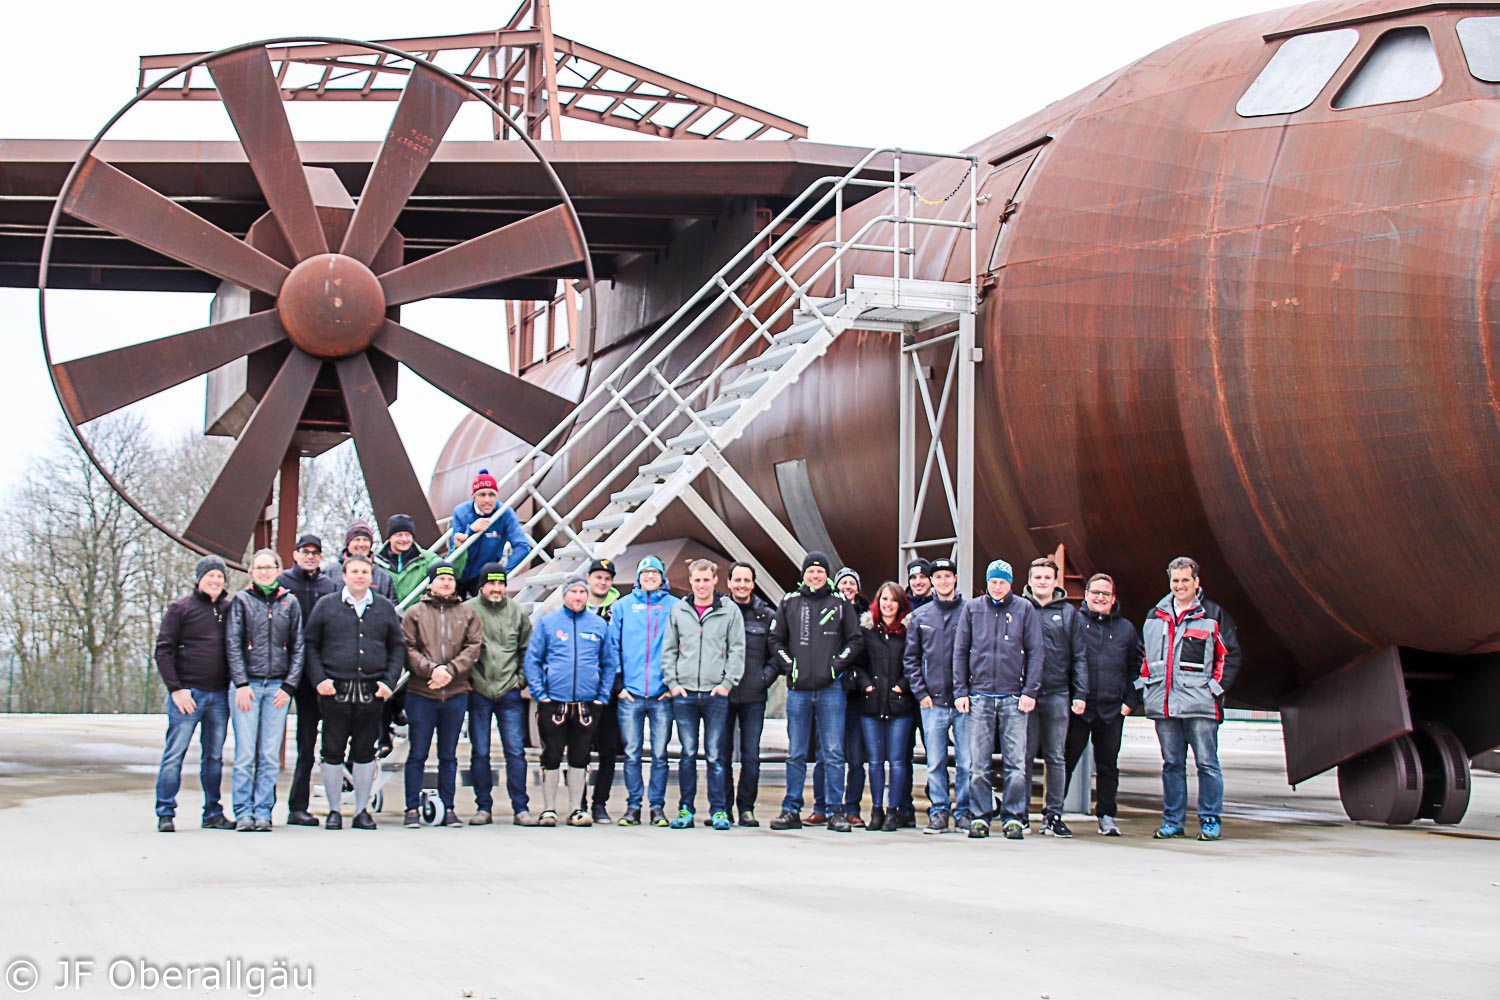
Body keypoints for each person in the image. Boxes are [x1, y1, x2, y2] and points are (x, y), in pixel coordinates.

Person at [1137, 556, 1241, 842]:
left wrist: (1215, 689)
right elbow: (1144, 655)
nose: (1180, 586)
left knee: (1207, 763)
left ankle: (1210, 820)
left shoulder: (1213, 615)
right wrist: (1147, 688)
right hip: (1165, 704)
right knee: (1172, 764)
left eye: (1185, 580)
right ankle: (1172, 820)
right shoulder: (1154, 616)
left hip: (1200, 705)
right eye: (1175, 581)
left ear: (1197, 582)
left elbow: (1228, 656)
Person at [304, 554, 404, 830]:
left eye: (364, 572)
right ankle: (335, 811)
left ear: (371, 577)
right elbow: (310, 644)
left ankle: (362, 810)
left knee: (365, 752)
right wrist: (319, 679)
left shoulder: (384, 608)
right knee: (332, 751)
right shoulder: (326, 606)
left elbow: (397, 647)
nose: (360, 576)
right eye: (354, 571)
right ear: (344, 576)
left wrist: (389, 682)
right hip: (334, 691)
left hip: (371, 693)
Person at [768, 551, 863, 833]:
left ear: (827, 575)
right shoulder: (790, 602)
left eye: (820, 571)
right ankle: (791, 809)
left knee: (833, 751)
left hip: (831, 689)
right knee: (796, 752)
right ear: (804, 574)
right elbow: (775, 639)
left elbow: (855, 640)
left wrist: (835, 667)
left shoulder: (840, 603)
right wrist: (790, 666)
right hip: (798, 690)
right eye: (811, 571)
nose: (815, 575)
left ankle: (836, 811)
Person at [954, 559, 1043, 840]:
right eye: (993, 582)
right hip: (979, 696)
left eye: (1002, 582)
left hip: (1013, 697)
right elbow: (960, 651)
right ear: (987, 583)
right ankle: (980, 816)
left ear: (1011, 584)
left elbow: (1036, 652)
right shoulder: (972, 609)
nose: (997, 587)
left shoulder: (1024, 609)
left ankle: (1013, 817)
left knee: (1016, 763)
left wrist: (1030, 691)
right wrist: (961, 691)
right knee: (978, 764)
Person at [524, 576, 619, 827]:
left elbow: (609, 663)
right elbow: (532, 660)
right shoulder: (548, 624)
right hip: (554, 701)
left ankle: (577, 808)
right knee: (551, 755)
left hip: (587, 703)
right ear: (564, 594)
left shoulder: (598, 625)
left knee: (580, 756)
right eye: (573, 592)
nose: (578, 597)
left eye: (582, 592)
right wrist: (540, 693)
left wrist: (602, 696)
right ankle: (548, 809)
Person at [661, 558, 746, 831]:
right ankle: (686, 808)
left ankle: (719, 810)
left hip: (715, 693)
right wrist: (673, 683)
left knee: (715, 755)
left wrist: (726, 683)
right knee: (687, 754)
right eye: (696, 580)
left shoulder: (729, 611)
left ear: (715, 581)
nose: (701, 585)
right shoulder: (679, 610)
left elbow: (737, 649)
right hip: (685, 693)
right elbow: (669, 650)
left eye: (706, 580)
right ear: (690, 582)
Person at [152, 556, 235, 833]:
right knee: (175, 753)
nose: (215, 581)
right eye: (210, 576)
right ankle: (165, 811)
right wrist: (176, 689)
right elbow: (164, 650)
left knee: (213, 757)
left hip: (219, 696)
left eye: (220, 577)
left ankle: (212, 811)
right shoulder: (180, 609)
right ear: (199, 578)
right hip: (188, 695)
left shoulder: (228, 609)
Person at [227, 548, 304, 832]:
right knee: (246, 754)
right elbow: (233, 645)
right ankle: (243, 811)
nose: (263, 572)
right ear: (251, 572)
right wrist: (241, 683)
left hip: (277, 688)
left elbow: (298, 647)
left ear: (277, 570)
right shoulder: (241, 601)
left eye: (268, 567)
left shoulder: (289, 603)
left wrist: (289, 685)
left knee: (270, 755)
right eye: (258, 568)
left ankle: (264, 811)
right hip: (248, 686)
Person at [401, 561, 482, 829]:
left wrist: (450, 670)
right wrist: (432, 671)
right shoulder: (415, 613)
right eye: (441, 579)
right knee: (418, 753)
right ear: (431, 582)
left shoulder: (467, 613)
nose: (446, 583)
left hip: (456, 692)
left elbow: (473, 647)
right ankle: (411, 808)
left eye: (450, 579)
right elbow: (408, 648)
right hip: (421, 692)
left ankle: (448, 807)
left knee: (448, 754)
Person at [1064, 573, 1143, 836]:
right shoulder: (1074, 623)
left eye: (1105, 594)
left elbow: (1136, 668)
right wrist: (1070, 698)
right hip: (1079, 708)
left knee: (1108, 765)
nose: (1100, 598)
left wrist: (1130, 702)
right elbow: (1063, 663)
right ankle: (1053, 814)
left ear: (1113, 599)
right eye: (1095, 593)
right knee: (1065, 760)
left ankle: (1107, 816)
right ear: (1085, 595)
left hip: (1112, 710)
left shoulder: (1126, 630)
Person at [606, 556, 678, 827]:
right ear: (638, 577)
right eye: (645, 572)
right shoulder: (623, 606)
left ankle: (657, 807)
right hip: (631, 694)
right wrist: (618, 686)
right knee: (633, 753)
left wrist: (673, 684)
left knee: (660, 754)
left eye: (655, 572)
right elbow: (613, 647)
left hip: (661, 694)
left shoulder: (675, 607)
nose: (650, 576)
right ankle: (633, 806)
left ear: (662, 577)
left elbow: (684, 645)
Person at [465, 562, 538, 826]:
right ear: (482, 586)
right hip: (479, 690)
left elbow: (526, 650)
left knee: (515, 751)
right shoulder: (469, 611)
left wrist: (520, 679)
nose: (496, 589)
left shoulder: (517, 612)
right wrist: (468, 679)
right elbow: (461, 648)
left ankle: (521, 808)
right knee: (480, 751)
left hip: (509, 692)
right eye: (491, 583)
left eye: (500, 583)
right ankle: (483, 807)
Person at [904, 556, 972, 833]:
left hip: (964, 701)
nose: (943, 581)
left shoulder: (970, 612)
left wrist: (970, 690)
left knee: (967, 762)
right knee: (935, 762)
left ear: (955, 579)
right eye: (938, 577)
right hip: (933, 702)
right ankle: (939, 811)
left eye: (948, 576)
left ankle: (965, 811)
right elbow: (911, 659)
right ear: (932, 581)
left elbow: (977, 654)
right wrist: (921, 693)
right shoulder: (921, 617)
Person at [1022, 557, 1089, 837]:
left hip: (1058, 693)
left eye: (1047, 578)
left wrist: (1080, 692)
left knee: (1056, 757)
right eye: (1037, 577)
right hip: (1026, 694)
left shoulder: (1069, 614)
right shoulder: (1020, 609)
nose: (1042, 582)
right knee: (1022, 756)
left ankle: (1053, 815)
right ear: (1029, 580)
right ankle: (1020, 813)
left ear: (1055, 582)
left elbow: (1079, 656)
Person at [278, 534, 339, 827]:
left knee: (308, 742)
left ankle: (298, 806)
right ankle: (255, 805)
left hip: (314, 674)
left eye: (316, 552)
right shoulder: (282, 583)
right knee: (264, 742)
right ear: (296, 554)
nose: (311, 556)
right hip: (282, 671)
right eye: (306, 551)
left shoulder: (329, 587)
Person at [850, 582, 916, 832]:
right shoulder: (866, 631)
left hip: (900, 705)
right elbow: (857, 664)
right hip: (872, 703)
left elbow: (916, 662)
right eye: (884, 599)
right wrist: (866, 686)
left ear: (901, 604)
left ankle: (893, 811)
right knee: (875, 761)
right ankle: (876, 810)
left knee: (898, 761)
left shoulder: (908, 631)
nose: (888, 604)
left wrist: (902, 686)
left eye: (893, 600)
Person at [722, 561, 777, 827]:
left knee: (751, 755)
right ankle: (722, 808)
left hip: (754, 696)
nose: (742, 585)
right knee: (720, 754)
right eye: (737, 580)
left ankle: (746, 808)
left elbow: (777, 654)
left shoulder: (766, 615)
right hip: (722, 694)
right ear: (729, 583)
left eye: (747, 580)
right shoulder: (717, 611)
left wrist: (763, 679)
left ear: (753, 584)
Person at [824, 566, 868, 826]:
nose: (848, 587)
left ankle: (852, 807)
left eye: (852, 583)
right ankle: (825, 805)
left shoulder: (867, 616)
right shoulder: (826, 611)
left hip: (857, 693)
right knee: (828, 750)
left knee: (855, 755)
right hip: (831, 687)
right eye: (843, 583)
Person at [451, 468, 532, 599]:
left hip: (482, 574)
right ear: (474, 496)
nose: (487, 500)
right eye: (482, 495)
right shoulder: (461, 513)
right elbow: (453, 553)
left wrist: (502, 575)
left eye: (492, 494)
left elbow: (522, 546)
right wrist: (470, 531)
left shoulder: (505, 513)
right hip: (459, 572)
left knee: (483, 609)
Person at [584, 557, 622, 823]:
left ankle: (600, 803)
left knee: (608, 750)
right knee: (580, 750)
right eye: (598, 577)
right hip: (582, 692)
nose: (602, 582)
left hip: (610, 691)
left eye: (607, 579)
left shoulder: (619, 609)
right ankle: (579, 802)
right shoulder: (575, 604)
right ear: (588, 579)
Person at [374, 514, 459, 605]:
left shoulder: (427, 559)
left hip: (416, 615)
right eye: (399, 535)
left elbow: (450, 570)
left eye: (408, 535)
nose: (404, 539)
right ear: (389, 537)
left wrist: (458, 549)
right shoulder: (375, 560)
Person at [327, 520, 397, 602]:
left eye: (365, 540)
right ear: (348, 543)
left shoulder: (384, 576)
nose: (361, 544)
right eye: (356, 539)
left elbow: (392, 607)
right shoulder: (330, 573)